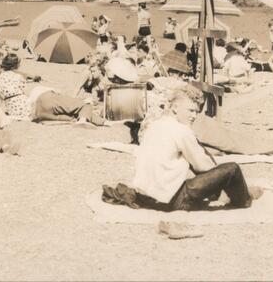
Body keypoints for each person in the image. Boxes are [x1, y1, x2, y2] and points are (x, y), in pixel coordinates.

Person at [104, 88, 260, 211]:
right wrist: (219, 180)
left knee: (198, 161)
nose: (194, 116)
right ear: (175, 108)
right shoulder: (182, 131)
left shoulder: (155, 125)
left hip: (146, 195)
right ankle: (244, 199)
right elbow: (203, 166)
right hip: (171, 200)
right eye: (190, 110)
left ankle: (231, 192)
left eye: (196, 112)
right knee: (232, 169)